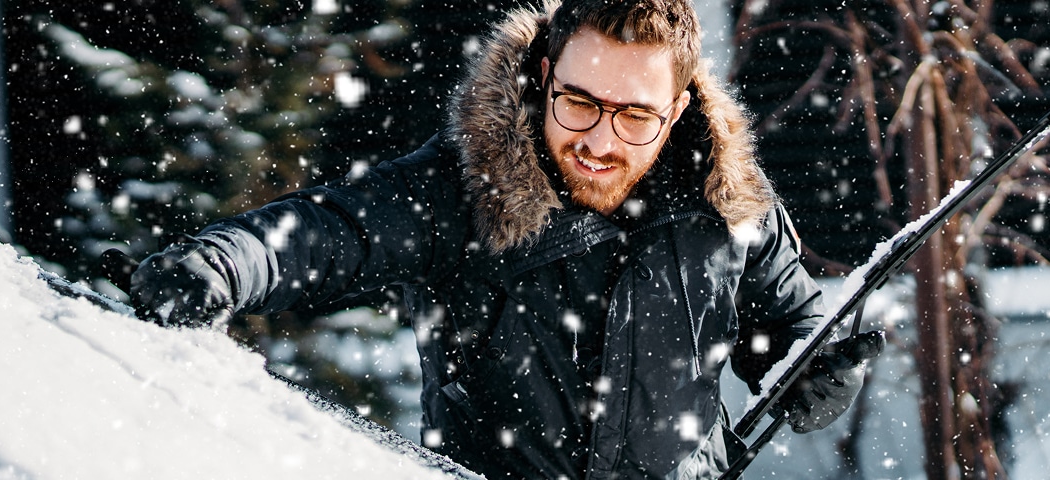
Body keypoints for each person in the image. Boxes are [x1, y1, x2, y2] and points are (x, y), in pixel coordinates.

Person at [127, 0, 881, 477]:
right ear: (544, 76)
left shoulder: (728, 205)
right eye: (579, 102)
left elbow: (793, 333)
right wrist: (218, 266)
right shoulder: (467, 185)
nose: (600, 141)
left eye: (635, 115)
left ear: (678, 108)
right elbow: (330, 230)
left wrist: (819, 379)